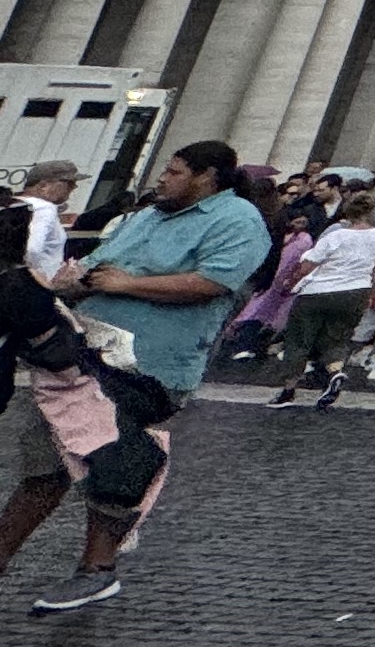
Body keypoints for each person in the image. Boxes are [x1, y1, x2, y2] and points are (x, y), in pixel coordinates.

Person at [0, 138, 273, 615]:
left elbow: (211, 283)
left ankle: (97, 569)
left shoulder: (239, 221)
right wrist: (69, 281)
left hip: (149, 366)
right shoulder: (148, 215)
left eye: (174, 170)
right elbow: (94, 267)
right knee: (45, 464)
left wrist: (127, 284)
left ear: (207, 176)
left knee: (112, 465)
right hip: (84, 355)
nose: (163, 178)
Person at [272, 190, 375, 407]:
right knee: (337, 338)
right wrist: (368, 293)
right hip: (355, 292)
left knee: (299, 340)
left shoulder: (335, 236)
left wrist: (289, 282)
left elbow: (308, 266)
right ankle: (335, 372)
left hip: (317, 292)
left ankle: (288, 391)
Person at [11, 164, 70, 280]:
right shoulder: (44, 208)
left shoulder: (10, 204)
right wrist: (40, 280)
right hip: (29, 284)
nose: (72, 189)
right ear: (43, 186)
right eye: (67, 185)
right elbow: (32, 249)